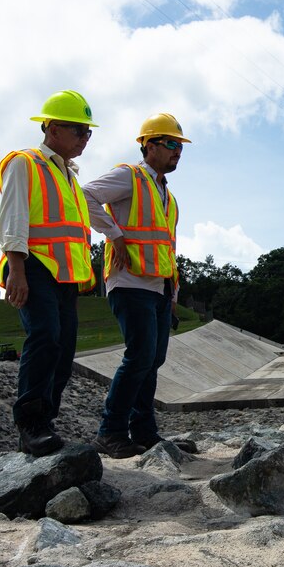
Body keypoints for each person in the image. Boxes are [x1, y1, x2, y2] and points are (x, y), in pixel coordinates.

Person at [0, 90, 99, 457]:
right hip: (34, 266)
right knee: (44, 337)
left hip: (65, 277)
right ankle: (31, 424)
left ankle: (46, 420)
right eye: (78, 130)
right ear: (53, 128)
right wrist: (17, 270)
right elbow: (14, 218)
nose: (85, 138)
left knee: (64, 346)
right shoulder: (26, 163)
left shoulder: (68, 175)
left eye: (89, 132)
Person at [82, 113, 190, 459]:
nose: (177, 151)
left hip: (157, 286)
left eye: (179, 146)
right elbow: (85, 196)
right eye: (171, 144)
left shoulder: (167, 196)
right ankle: (110, 431)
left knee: (152, 359)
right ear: (149, 145)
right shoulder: (130, 176)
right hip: (129, 282)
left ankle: (143, 431)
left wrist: (172, 293)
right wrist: (114, 235)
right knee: (140, 355)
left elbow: (167, 246)